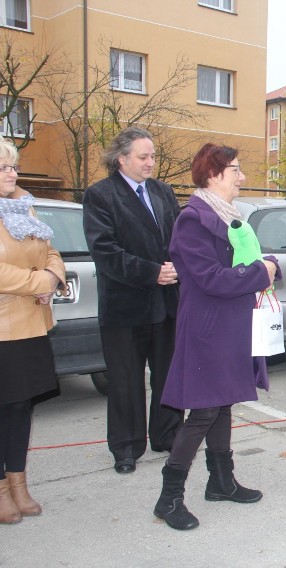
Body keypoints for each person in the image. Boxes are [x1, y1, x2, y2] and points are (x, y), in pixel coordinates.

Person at [153, 143, 280, 530]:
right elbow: (210, 278)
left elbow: (241, 263)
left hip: (231, 324)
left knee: (223, 403)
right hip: (208, 328)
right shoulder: (193, 220)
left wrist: (268, 266)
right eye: (236, 170)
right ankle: (168, 496)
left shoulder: (230, 216)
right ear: (213, 174)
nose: (242, 177)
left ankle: (221, 481)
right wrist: (263, 272)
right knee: (205, 410)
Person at [83, 126, 184, 474]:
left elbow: (177, 239)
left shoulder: (163, 192)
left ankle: (167, 433)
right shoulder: (100, 195)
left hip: (167, 302)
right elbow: (105, 252)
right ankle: (125, 448)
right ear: (121, 158)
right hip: (125, 306)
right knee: (125, 380)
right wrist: (151, 271)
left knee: (168, 374)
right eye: (143, 156)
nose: (150, 162)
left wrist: (179, 267)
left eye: (153, 156)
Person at [0, 138, 66, 523]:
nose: (13, 173)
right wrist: (39, 282)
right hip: (4, 326)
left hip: (30, 326)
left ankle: (19, 483)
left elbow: (51, 250)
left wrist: (53, 276)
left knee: (21, 407)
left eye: (13, 166)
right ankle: (2, 491)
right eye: (4, 167)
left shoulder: (23, 206)